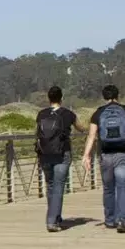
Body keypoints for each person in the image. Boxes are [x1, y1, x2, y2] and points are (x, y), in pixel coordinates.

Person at [80, 84, 125, 233]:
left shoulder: (98, 113)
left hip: (105, 156)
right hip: (123, 154)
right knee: (123, 189)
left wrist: (86, 155)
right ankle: (122, 220)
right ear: (118, 95)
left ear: (104, 96)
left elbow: (91, 136)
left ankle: (109, 220)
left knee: (108, 189)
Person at [33, 85, 80, 232]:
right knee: (59, 187)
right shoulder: (68, 114)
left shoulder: (41, 114)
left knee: (51, 186)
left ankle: (55, 217)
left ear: (49, 98)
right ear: (61, 98)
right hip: (62, 153)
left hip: (45, 154)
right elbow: (81, 127)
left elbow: (38, 133)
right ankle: (52, 221)